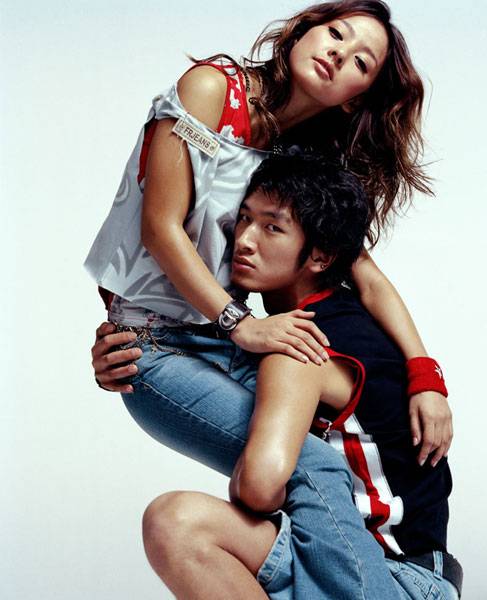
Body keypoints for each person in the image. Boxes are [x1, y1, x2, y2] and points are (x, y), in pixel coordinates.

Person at [88, 1, 453, 597]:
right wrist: (238, 324)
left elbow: (365, 273)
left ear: (356, 97)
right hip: (171, 336)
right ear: (303, 30)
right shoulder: (213, 90)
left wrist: (425, 375)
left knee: (289, 465)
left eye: (361, 61)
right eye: (335, 32)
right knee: (305, 465)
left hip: (215, 339)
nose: (338, 52)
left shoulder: (299, 161)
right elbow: (159, 227)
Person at [137, 153, 462, 599]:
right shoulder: (338, 320)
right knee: (176, 523)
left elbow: (259, 487)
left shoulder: (301, 344)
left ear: (321, 256)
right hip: (356, 559)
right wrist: (134, 344)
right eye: (244, 218)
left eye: (273, 228)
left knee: (180, 523)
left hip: (395, 579)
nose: (244, 240)